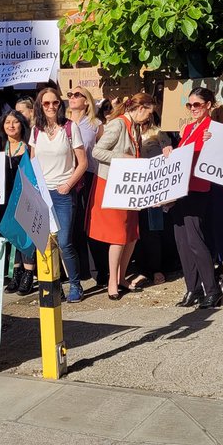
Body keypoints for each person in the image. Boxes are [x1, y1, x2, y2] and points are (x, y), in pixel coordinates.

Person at [90, 93, 152, 300]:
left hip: (128, 186)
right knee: (118, 236)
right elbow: (97, 151)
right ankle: (112, 282)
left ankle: (121, 276)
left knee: (131, 234)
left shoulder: (135, 126)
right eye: (148, 113)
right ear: (140, 108)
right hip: (112, 184)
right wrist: (122, 158)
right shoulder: (118, 124)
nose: (149, 118)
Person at [30, 88, 88, 302]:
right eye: (46, 103)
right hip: (42, 195)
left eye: (55, 102)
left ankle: (75, 284)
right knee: (46, 243)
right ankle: (54, 285)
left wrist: (68, 184)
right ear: (40, 106)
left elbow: (83, 162)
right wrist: (35, 188)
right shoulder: (36, 130)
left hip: (63, 193)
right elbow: (33, 162)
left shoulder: (70, 128)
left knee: (64, 242)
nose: (51, 107)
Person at [169, 88, 223, 308]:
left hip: (198, 189)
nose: (193, 109)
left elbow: (219, 158)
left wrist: (214, 141)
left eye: (197, 104)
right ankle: (193, 288)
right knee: (182, 241)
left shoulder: (213, 129)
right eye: (189, 105)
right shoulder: (188, 128)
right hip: (180, 190)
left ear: (208, 105)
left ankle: (212, 289)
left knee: (194, 239)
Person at [65, 87, 108, 289]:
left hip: (89, 175)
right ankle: (77, 269)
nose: (72, 97)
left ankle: (98, 269)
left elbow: (103, 150)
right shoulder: (62, 123)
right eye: (70, 95)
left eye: (77, 95)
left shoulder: (96, 125)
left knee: (90, 221)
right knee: (71, 223)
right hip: (66, 176)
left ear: (87, 100)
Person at [129, 102, 173, 289]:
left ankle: (156, 268)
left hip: (153, 186)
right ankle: (141, 268)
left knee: (152, 230)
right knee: (136, 230)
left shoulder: (158, 133)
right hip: (134, 186)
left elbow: (168, 154)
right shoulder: (129, 132)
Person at [0, 110, 36, 293]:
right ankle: (16, 273)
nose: (11, 126)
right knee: (12, 235)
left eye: (15, 122)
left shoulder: (29, 147)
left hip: (25, 197)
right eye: (7, 122)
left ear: (22, 125)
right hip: (5, 199)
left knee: (26, 236)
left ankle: (28, 274)